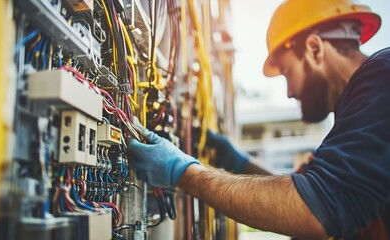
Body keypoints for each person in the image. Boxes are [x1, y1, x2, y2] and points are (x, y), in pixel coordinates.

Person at [128, 0, 390, 239]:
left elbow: (315, 207)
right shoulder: (361, 114)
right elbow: (300, 194)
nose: (289, 92)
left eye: (287, 72)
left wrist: (185, 174)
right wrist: (240, 163)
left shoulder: (383, 76)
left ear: (314, 49)